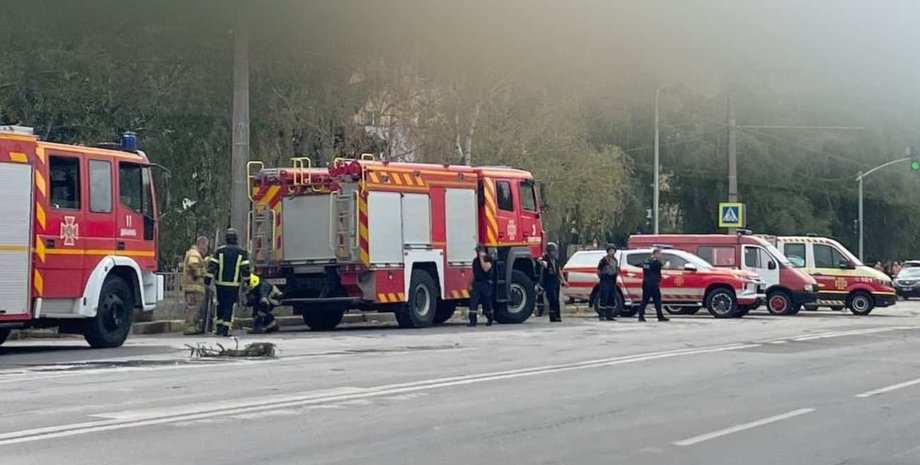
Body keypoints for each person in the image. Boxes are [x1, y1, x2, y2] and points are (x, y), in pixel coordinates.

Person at [205, 228, 251, 337]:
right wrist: (247, 282)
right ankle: (226, 328)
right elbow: (245, 269)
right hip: (233, 285)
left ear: (226, 238)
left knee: (220, 305)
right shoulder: (241, 252)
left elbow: (212, 267)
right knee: (229, 306)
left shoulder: (219, 251)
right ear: (236, 239)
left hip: (220, 284)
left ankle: (219, 328)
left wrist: (207, 281)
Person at [181, 236, 210, 335]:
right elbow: (193, 264)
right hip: (194, 286)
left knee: (195, 308)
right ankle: (190, 327)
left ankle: (194, 326)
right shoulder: (194, 253)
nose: (206, 250)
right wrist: (200, 274)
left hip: (193, 286)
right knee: (193, 308)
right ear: (201, 245)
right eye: (206, 247)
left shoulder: (196, 254)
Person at [538, 242, 567, 323]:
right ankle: (552, 316)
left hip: (555, 280)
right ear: (549, 251)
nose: (554, 253)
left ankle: (558, 316)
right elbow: (542, 263)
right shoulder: (545, 259)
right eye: (553, 251)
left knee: (556, 299)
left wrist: (563, 280)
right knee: (552, 298)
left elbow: (558, 270)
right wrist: (542, 263)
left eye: (555, 251)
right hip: (548, 281)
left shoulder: (555, 260)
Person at [638, 248, 668, 322]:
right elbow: (662, 266)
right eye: (659, 254)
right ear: (655, 254)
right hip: (653, 284)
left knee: (645, 300)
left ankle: (641, 316)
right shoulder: (655, 262)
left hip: (646, 283)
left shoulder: (646, 261)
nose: (660, 256)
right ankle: (659, 316)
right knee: (657, 300)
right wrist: (666, 264)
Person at [468, 244, 495, 327]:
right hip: (477, 283)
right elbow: (474, 273)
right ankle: (472, 321)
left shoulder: (488, 259)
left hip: (486, 283)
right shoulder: (475, 261)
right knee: (473, 302)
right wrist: (470, 284)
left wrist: (482, 258)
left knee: (486, 302)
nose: (477, 253)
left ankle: (490, 319)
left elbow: (485, 268)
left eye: (479, 251)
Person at [596, 244, 619, 321]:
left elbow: (616, 269)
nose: (612, 252)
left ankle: (609, 315)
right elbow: (598, 270)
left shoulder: (615, 260)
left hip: (612, 280)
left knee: (611, 298)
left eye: (613, 251)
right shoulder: (604, 260)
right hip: (605, 280)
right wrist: (602, 277)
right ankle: (602, 315)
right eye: (610, 251)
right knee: (604, 297)